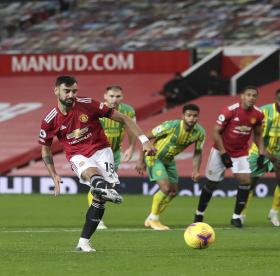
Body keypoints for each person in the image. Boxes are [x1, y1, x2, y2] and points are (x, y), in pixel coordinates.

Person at [38, 75, 155, 252]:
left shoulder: (88, 104)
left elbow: (125, 119)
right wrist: (53, 174)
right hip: (77, 155)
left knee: (99, 201)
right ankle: (103, 187)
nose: (71, 95)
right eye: (66, 91)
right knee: (94, 176)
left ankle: (83, 242)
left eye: (74, 91)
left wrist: (144, 140)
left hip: (102, 152)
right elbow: (45, 148)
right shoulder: (50, 120)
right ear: (56, 91)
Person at [193, 86, 266, 228]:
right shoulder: (230, 110)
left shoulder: (258, 114)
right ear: (242, 96)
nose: (252, 98)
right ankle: (199, 213)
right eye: (249, 95)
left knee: (246, 181)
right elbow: (215, 132)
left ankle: (236, 217)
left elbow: (257, 135)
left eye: (254, 96)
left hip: (240, 152)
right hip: (220, 150)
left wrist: (261, 153)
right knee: (212, 183)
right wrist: (223, 153)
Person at [136, 104, 206, 230]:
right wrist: (140, 160)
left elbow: (198, 153)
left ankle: (151, 218)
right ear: (183, 116)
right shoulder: (171, 126)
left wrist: (196, 170)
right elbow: (145, 137)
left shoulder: (200, 133)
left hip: (169, 161)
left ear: (198, 117)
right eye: (189, 115)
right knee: (165, 188)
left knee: (173, 192)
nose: (192, 118)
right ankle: (154, 219)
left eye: (195, 116)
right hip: (155, 158)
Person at [241, 88, 280, 226]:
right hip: (258, 150)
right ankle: (241, 214)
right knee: (249, 185)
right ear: (275, 99)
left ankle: (274, 212)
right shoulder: (262, 112)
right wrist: (266, 154)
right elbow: (255, 135)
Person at [86, 85, 137, 230]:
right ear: (105, 96)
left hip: (114, 152)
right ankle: (95, 217)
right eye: (112, 96)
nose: (115, 99)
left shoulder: (128, 111)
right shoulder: (97, 109)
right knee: (97, 183)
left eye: (118, 96)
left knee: (108, 185)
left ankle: (96, 214)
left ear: (122, 97)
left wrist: (132, 147)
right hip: (96, 150)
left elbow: (132, 128)